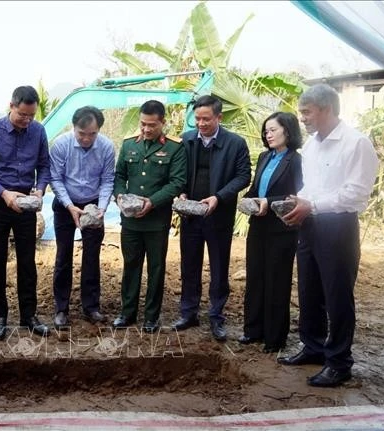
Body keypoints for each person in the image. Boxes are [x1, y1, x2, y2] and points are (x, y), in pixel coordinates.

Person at [278, 84, 379, 387]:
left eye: (307, 112)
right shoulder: (311, 145)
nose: (303, 119)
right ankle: (313, 347)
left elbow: (356, 194)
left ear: (326, 110)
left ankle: (338, 362)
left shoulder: (356, 143)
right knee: (309, 290)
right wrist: (298, 203)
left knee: (337, 297)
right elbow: (311, 186)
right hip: (310, 223)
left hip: (338, 227)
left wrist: (312, 205)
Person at [0, 85, 52, 340]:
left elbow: (44, 165)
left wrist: (39, 191)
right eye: (22, 115)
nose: (26, 121)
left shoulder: (38, 131)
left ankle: (29, 315)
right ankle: (0, 317)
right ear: (11, 106)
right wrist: (5, 194)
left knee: (27, 262)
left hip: (26, 203)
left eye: (31, 116)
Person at [174, 95, 251, 341]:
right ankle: (188, 313)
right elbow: (176, 172)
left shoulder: (235, 143)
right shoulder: (185, 140)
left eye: (206, 119)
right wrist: (181, 192)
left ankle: (216, 316)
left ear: (219, 117)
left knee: (219, 267)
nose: (201, 123)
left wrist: (218, 197)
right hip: (191, 216)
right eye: (197, 118)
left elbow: (243, 176)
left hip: (219, 216)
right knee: (189, 265)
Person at [112, 100, 187, 333]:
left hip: (156, 221)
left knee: (155, 268)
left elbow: (177, 182)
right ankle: (127, 313)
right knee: (131, 265)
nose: (146, 129)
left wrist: (152, 202)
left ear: (162, 122)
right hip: (131, 220)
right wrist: (121, 197)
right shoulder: (128, 145)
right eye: (143, 124)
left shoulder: (175, 148)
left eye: (152, 125)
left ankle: (151, 317)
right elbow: (119, 176)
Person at [240, 112, 303, 353]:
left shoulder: (296, 161)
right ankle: (252, 330)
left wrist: (269, 201)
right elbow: (256, 188)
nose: (268, 134)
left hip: (282, 227)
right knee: (255, 276)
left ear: (287, 130)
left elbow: (297, 195)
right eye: (266, 130)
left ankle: (274, 338)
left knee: (277, 281)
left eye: (273, 129)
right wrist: (247, 201)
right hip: (258, 224)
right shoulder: (265, 157)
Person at [49, 106, 115, 329]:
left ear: (99, 130)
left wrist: (102, 208)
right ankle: (61, 308)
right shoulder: (61, 145)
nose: (87, 138)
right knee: (63, 256)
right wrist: (69, 206)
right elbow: (55, 179)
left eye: (92, 134)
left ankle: (91, 307)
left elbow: (107, 180)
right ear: (73, 127)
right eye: (82, 133)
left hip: (94, 205)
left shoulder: (106, 146)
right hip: (66, 204)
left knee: (91, 257)